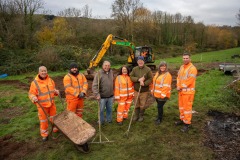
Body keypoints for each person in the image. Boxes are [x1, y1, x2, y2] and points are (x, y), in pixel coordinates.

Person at [28, 66, 59, 142]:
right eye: (42, 71)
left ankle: (55, 128)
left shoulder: (50, 80)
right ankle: (44, 135)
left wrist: (55, 91)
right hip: (42, 106)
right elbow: (31, 94)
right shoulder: (34, 83)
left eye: (45, 71)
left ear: (47, 71)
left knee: (54, 118)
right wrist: (33, 98)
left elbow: (52, 90)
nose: (44, 72)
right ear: (39, 72)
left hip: (51, 104)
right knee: (43, 121)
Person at [175, 53, 198, 132]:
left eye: (186, 58)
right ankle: (182, 119)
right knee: (181, 107)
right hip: (181, 92)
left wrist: (180, 86)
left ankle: (187, 123)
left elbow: (189, 81)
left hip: (188, 93)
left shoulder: (193, 68)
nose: (185, 59)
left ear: (190, 59)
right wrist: (178, 85)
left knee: (187, 108)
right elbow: (178, 77)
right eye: (184, 58)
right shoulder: (182, 67)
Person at [130, 56, 153, 122]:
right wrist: (138, 79)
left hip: (144, 91)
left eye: (141, 61)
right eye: (139, 61)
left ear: (143, 61)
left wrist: (144, 83)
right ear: (137, 62)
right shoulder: (134, 69)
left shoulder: (148, 70)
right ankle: (136, 115)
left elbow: (150, 79)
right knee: (136, 103)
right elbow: (131, 76)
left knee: (142, 104)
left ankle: (141, 116)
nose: (140, 62)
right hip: (136, 90)